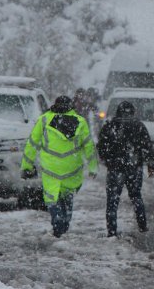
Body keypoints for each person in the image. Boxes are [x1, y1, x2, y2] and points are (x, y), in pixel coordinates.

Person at [21, 95, 98, 237]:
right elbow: (89, 146)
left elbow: (32, 144)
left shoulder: (44, 119)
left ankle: (57, 221)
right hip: (72, 168)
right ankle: (66, 222)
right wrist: (93, 167)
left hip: (51, 168)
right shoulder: (80, 122)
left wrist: (27, 166)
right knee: (67, 196)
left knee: (51, 197)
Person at [97, 101, 154, 237]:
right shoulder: (139, 126)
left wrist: (107, 160)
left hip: (115, 168)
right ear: (133, 112)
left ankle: (111, 230)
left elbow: (101, 146)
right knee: (136, 196)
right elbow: (147, 146)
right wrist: (152, 164)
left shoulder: (110, 125)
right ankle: (142, 225)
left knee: (112, 200)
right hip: (133, 167)